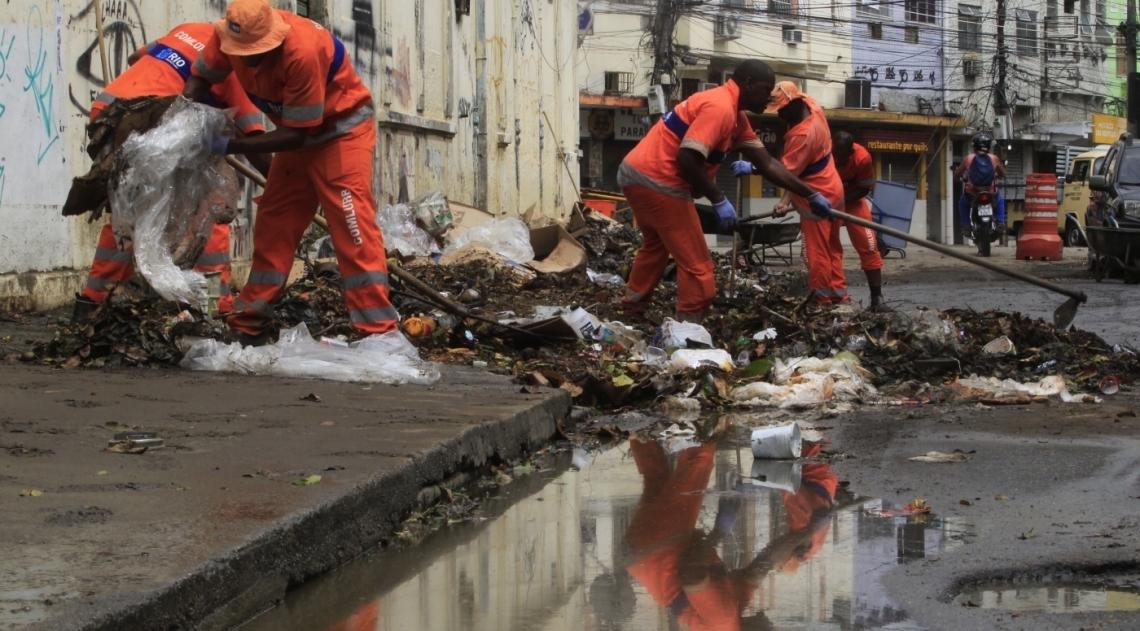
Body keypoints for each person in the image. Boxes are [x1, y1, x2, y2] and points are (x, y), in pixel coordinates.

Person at [184, 0, 397, 346]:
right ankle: (249, 320)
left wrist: (229, 145)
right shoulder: (226, 39)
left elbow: (297, 134)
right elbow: (199, 78)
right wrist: (181, 116)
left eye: (256, 52)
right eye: (242, 52)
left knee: (350, 221)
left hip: (340, 132)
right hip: (297, 136)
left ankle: (379, 332)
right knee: (274, 221)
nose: (248, 59)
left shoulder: (303, 51)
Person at [72, 22, 268, 322]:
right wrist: (282, 183)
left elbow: (135, 59)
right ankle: (215, 304)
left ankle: (92, 302)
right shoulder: (237, 66)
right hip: (151, 123)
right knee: (209, 205)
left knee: (127, 210)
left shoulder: (192, 29)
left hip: (109, 110)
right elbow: (255, 141)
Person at [616, 60, 833, 323]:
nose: (769, 98)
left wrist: (808, 193)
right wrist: (719, 199)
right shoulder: (720, 108)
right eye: (766, 90)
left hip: (635, 174)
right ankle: (688, 336)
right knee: (699, 270)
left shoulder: (736, 116)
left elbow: (768, 164)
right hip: (659, 181)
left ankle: (631, 309)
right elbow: (687, 158)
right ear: (749, 84)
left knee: (655, 247)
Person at [734, 82, 846, 305]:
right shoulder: (812, 105)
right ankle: (840, 295)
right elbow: (800, 170)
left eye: (781, 110)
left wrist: (753, 168)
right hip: (833, 188)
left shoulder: (802, 135)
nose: (779, 116)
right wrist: (785, 201)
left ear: (794, 103)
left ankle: (822, 300)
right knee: (832, 248)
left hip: (817, 197)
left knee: (817, 255)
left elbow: (785, 173)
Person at [831, 132, 888, 311]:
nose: (838, 160)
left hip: (853, 201)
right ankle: (835, 296)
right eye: (835, 154)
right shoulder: (823, 151)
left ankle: (877, 298)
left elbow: (865, 189)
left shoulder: (862, 158)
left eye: (842, 156)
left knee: (869, 246)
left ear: (851, 151)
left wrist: (841, 200)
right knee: (826, 247)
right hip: (826, 203)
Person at [955, 132, 1006, 237]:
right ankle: (1000, 222)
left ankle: (967, 226)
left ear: (974, 145)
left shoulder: (968, 159)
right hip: (990, 192)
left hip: (972, 193)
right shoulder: (994, 158)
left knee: (963, 203)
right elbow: (1002, 174)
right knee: (999, 201)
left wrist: (959, 179)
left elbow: (957, 175)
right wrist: (996, 176)